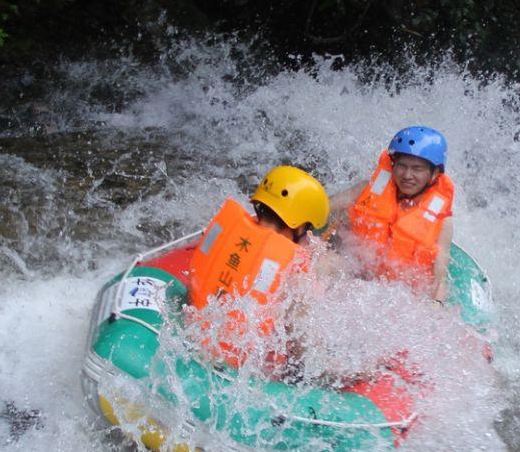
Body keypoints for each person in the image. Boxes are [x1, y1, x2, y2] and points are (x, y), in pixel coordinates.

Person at [187, 165, 329, 368]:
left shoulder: (228, 230)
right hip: (236, 369)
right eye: (309, 229)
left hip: (191, 338)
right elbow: (305, 348)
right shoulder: (293, 268)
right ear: (299, 226)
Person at [330, 126, 455, 305]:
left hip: (400, 295)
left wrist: (437, 304)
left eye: (417, 169)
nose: (407, 175)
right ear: (393, 165)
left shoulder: (442, 221)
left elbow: (439, 278)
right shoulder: (367, 189)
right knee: (325, 263)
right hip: (355, 274)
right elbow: (327, 206)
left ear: (434, 173)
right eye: (402, 166)